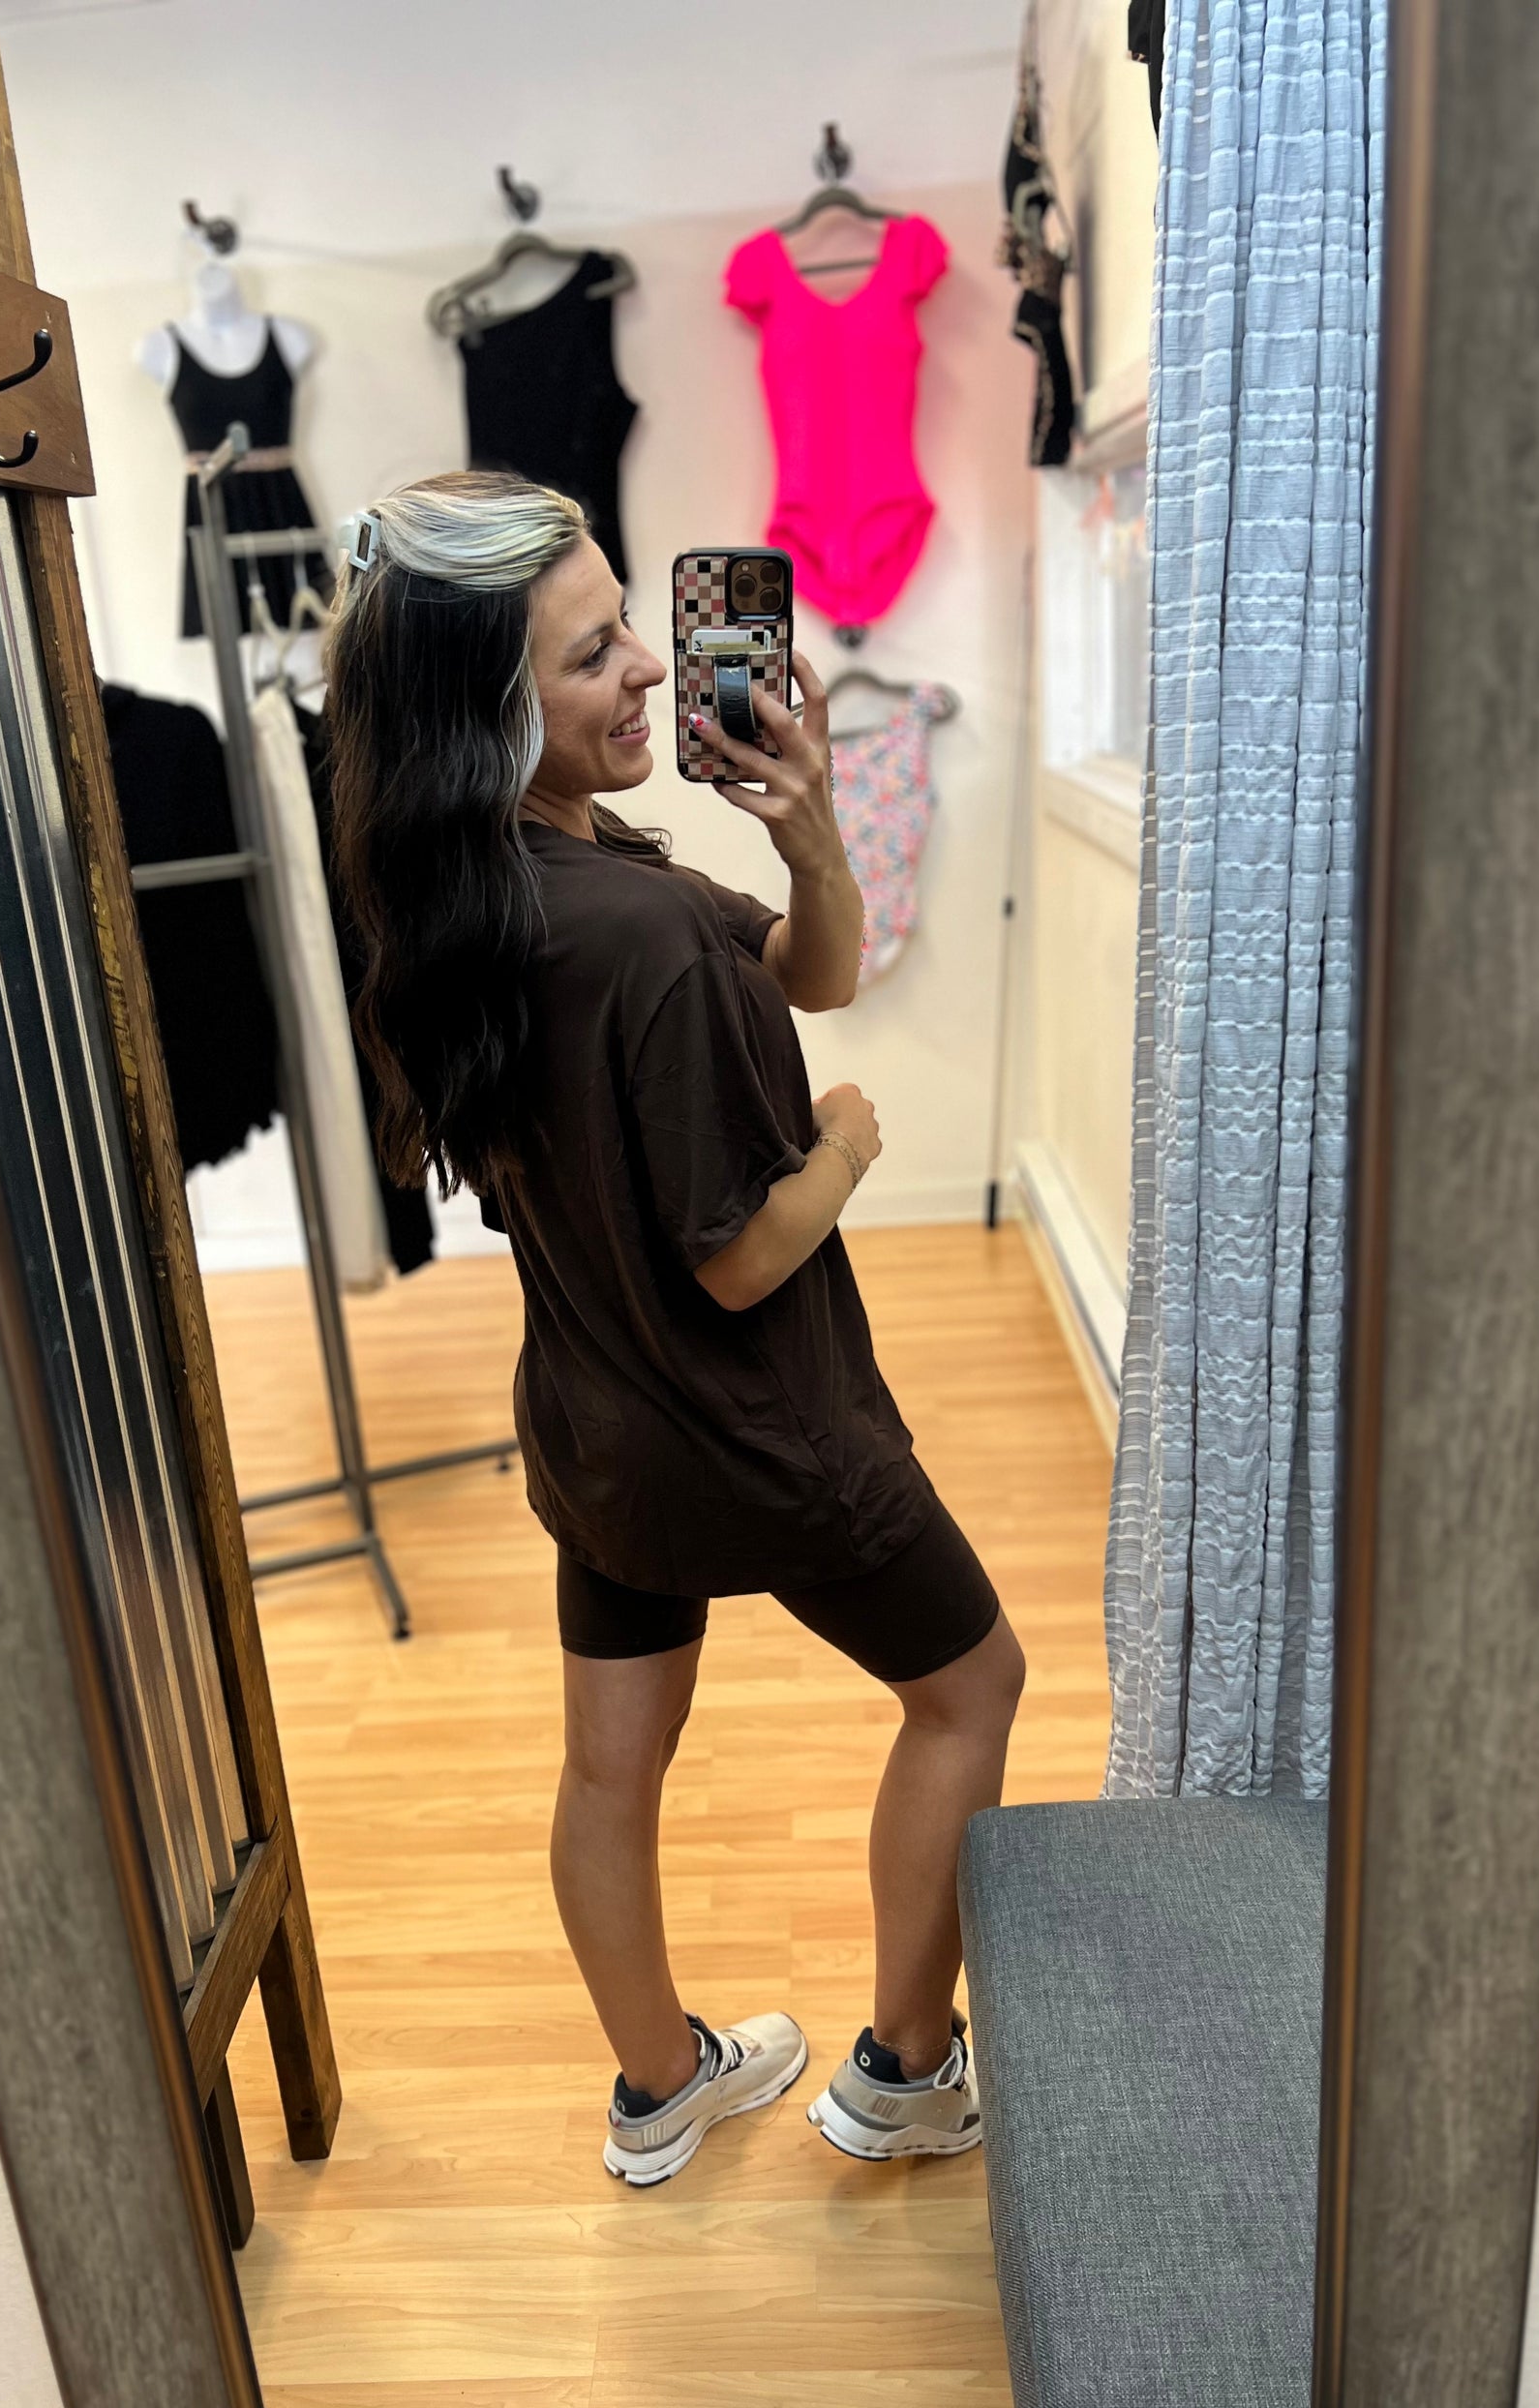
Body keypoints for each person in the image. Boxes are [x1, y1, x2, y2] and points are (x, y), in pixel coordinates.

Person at [324, 473, 1024, 2186]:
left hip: (599, 1432)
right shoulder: (635, 932)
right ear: (489, 718)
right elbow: (738, 1258)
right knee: (971, 1691)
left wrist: (808, 829)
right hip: (765, 1433)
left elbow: (810, 966)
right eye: (590, 658)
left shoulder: (470, 894)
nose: (648, 668)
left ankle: (658, 2089)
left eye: (629, 624)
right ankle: (903, 2072)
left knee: (608, 1773)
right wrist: (844, 1143)